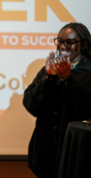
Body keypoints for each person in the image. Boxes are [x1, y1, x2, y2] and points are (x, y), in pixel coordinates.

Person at [23, 22, 91, 178]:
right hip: (46, 152)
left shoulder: (88, 72)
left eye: (69, 42)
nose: (62, 46)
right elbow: (31, 105)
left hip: (77, 152)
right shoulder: (48, 70)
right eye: (59, 41)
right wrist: (50, 79)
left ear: (83, 44)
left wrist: (68, 79)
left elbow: (85, 108)